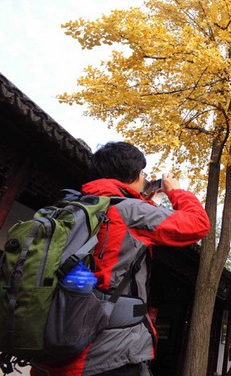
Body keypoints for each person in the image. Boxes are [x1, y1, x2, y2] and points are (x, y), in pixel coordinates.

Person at [31, 141, 210, 376]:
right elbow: (198, 224)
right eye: (143, 174)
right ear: (133, 175)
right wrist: (175, 191)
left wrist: (142, 200)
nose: (145, 179)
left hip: (50, 348)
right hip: (106, 354)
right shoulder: (129, 211)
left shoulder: (74, 207)